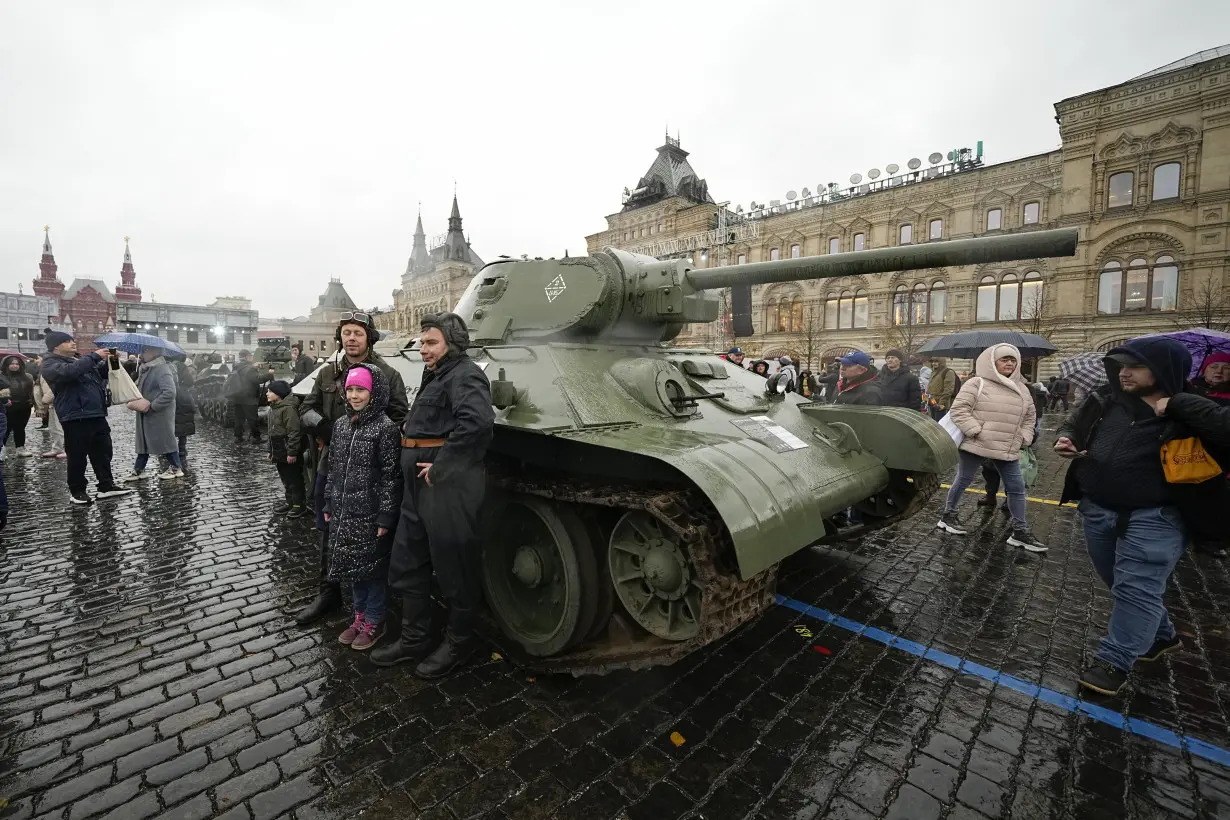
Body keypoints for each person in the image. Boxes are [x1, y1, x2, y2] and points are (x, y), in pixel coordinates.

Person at [1056, 337, 1230, 695]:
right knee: (1122, 585)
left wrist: (1179, 404)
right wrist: (1066, 438)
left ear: (1163, 371)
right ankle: (1162, 636)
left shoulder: (1193, 406)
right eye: (1121, 365)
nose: (1125, 372)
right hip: (1098, 510)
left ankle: (1114, 661)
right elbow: (1074, 423)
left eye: (1135, 366)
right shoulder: (1105, 398)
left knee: (1136, 588)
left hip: (1157, 518)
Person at [372, 312, 494, 678]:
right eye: (422, 342)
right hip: (418, 484)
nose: (422, 348)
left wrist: (442, 467)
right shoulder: (436, 374)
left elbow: (477, 424)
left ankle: (459, 642)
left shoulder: (466, 373)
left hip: (445, 486)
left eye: (431, 342)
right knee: (409, 559)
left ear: (451, 345)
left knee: (454, 566)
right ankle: (414, 639)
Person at [295, 311, 408, 625]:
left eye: (358, 333)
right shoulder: (327, 374)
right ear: (340, 338)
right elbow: (305, 409)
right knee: (329, 530)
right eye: (346, 333)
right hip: (331, 465)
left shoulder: (388, 374)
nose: (352, 339)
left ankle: (372, 606)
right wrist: (331, 430)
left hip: (368, 473)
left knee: (371, 537)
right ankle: (328, 592)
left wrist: (368, 436)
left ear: (368, 337)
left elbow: (399, 417)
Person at [935, 344, 1045, 552]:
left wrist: (1025, 437)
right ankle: (948, 515)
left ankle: (1020, 531)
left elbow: (1030, 416)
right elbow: (959, 410)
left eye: (1013, 360)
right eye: (1004, 359)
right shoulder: (977, 383)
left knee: (1017, 488)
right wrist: (976, 431)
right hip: (975, 444)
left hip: (1008, 447)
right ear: (991, 362)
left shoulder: (1022, 388)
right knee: (963, 479)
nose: (1009, 363)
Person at [324, 365, 402, 652]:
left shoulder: (385, 428)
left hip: (370, 512)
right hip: (346, 510)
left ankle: (374, 620)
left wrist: (386, 514)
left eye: (361, 390)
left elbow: (391, 477)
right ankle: (358, 616)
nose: (355, 395)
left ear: (374, 392)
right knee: (353, 568)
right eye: (351, 389)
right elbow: (333, 467)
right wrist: (329, 500)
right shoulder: (342, 425)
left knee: (373, 571)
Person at [40, 332, 132, 505]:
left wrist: (111, 361)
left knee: (103, 452)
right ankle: (77, 490)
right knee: (77, 456)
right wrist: (94, 356)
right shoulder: (50, 364)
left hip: (96, 413)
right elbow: (69, 373)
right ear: (55, 346)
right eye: (66, 341)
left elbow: (100, 375)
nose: (72, 343)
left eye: (72, 340)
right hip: (75, 415)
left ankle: (106, 486)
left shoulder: (79, 360)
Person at [122, 347, 183, 481]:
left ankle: (176, 467)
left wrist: (153, 406)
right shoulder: (147, 368)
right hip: (146, 412)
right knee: (144, 441)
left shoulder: (162, 369)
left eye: (145, 351)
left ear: (155, 352)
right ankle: (139, 469)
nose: (141, 354)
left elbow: (169, 392)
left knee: (165, 440)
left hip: (159, 413)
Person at [266, 380, 305, 517]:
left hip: (287, 448)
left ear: (279, 394)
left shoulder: (288, 408)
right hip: (278, 449)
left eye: (270, 391)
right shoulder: (274, 407)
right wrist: (270, 451)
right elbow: (271, 432)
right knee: (285, 479)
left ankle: (298, 505)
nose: (267, 394)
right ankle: (290, 503)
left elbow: (294, 432)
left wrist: (292, 452)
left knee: (294, 479)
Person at [226, 350, 269, 443]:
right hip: (249, 397)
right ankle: (256, 437)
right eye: (251, 356)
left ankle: (238, 437)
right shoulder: (250, 368)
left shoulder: (236, 367)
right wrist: (269, 374)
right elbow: (258, 379)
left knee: (239, 418)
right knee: (253, 419)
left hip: (237, 397)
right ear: (248, 357)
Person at [1, 355, 35, 457]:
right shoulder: (1, 376)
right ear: (7, 365)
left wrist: (34, 403)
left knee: (20, 428)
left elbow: (31, 391)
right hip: (8, 407)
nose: (15, 366)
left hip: (24, 406)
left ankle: (20, 448)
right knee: (6, 429)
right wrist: (5, 400)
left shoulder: (27, 376)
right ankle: (2, 450)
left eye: (17, 364)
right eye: (12, 364)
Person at [32, 372, 65, 459]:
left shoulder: (54, 369)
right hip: (51, 404)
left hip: (60, 402)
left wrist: (45, 399)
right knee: (53, 427)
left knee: (61, 427)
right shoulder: (43, 371)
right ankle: (58, 448)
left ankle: (66, 449)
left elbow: (56, 386)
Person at [173, 360, 196, 462]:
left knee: (173, 423)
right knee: (183, 422)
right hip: (184, 396)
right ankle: (182, 448)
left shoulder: (171, 367)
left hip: (174, 394)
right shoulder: (184, 368)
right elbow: (190, 381)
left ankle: (171, 449)